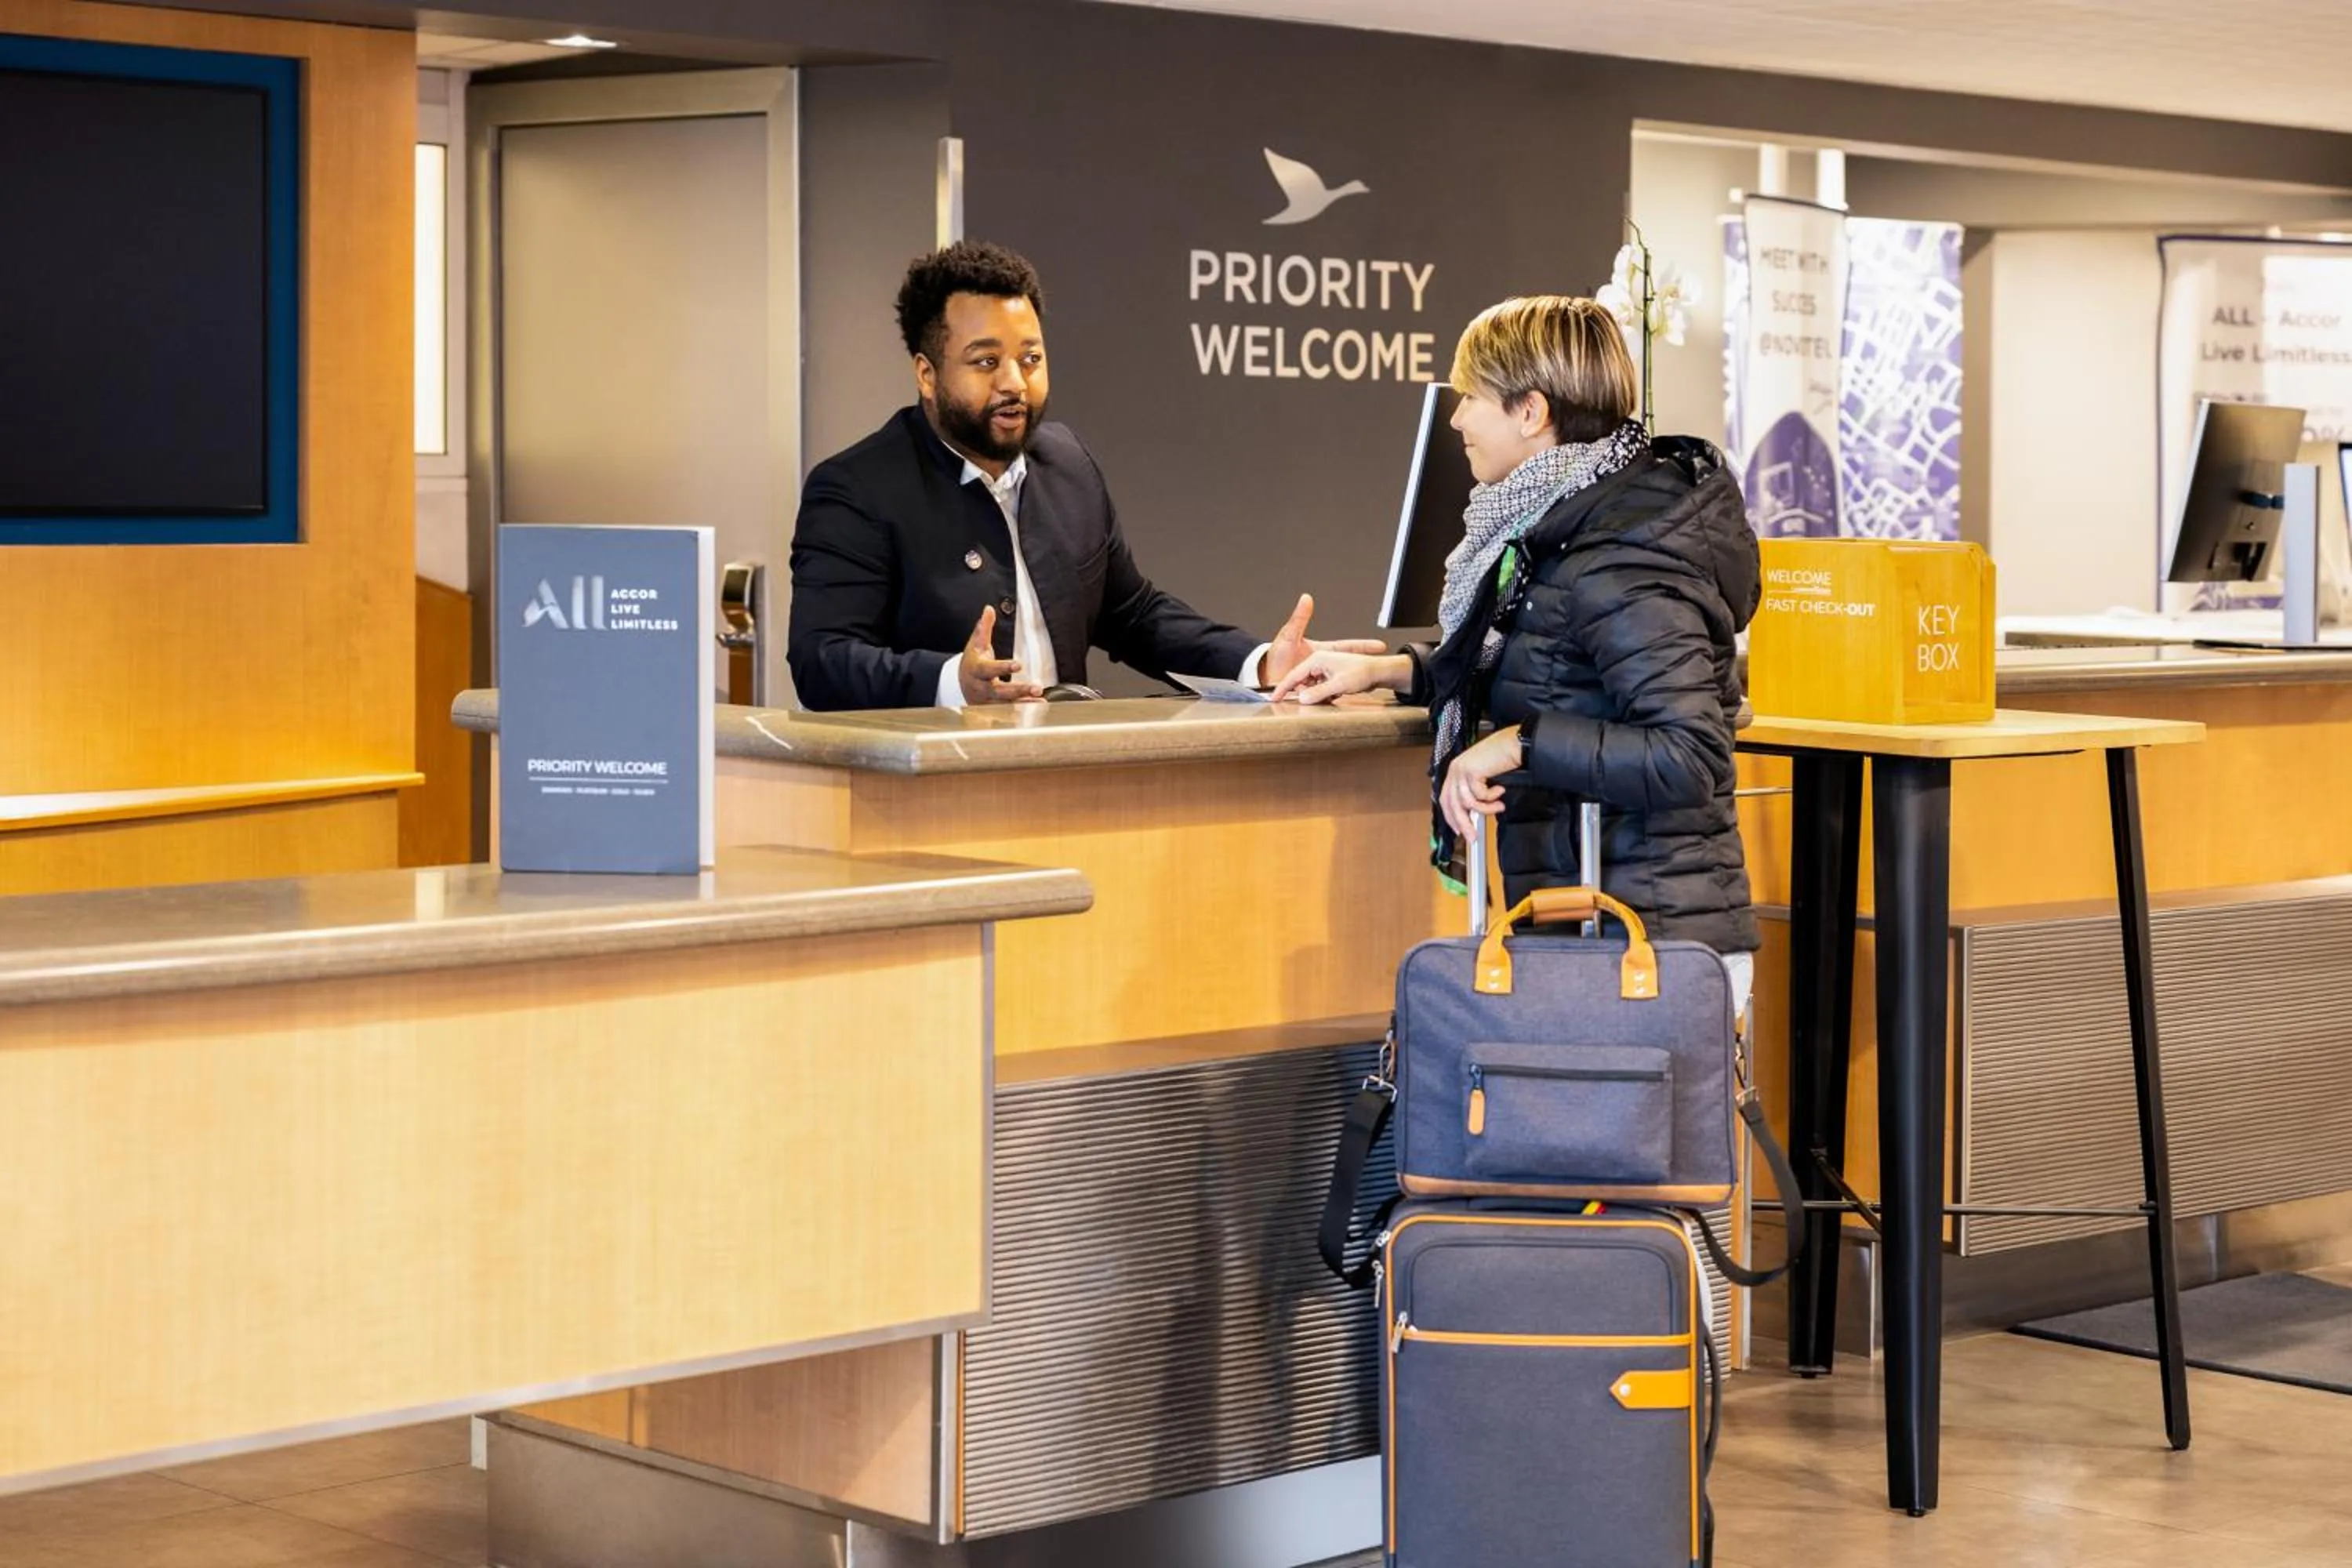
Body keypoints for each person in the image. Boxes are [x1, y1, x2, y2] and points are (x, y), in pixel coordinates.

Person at [1272, 295, 1760, 998]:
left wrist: (1520, 745)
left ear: (1531, 414)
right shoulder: (1564, 528)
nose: (1457, 417)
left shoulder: (1623, 552)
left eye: (1472, 395)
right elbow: (1551, 665)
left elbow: (1690, 754)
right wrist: (1384, 671)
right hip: (1598, 933)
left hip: (1651, 947)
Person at [788, 241, 1377, 710]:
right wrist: (949, 682)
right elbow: (823, 661)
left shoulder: (1066, 462)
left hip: (1063, 777)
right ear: (926, 372)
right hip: (926, 794)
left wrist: (1260, 662)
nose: (1015, 382)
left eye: (1031, 358)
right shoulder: (856, 490)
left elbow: (1133, 614)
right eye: (987, 362)